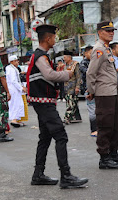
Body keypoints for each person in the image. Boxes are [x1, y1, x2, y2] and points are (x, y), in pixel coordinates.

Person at [27, 24, 88, 188]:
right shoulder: (40, 56)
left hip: (43, 102)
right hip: (44, 103)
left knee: (45, 138)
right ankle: (66, 176)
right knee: (61, 136)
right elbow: (49, 75)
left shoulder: (42, 56)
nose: (55, 39)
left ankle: (38, 174)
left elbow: (46, 75)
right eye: (54, 37)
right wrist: (66, 74)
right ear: (48, 38)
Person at [86, 21, 118, 169]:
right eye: (108, 30)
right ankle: (104, 157)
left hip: (112, 92)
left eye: (112, 30)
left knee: (114, 125)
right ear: (99, 32)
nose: (111, 33)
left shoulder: (107, 49)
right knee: (105, 125)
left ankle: (113, 153)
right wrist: (91, 91)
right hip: (104, 93)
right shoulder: (98, 49)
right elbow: (91, 72)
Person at [79, 45, 97, 137]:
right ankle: (93, 130)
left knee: (99, 109)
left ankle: (100, 129)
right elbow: (88, 73)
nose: (93, 55)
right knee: (92, 110)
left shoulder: (96, 62)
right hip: (88, 88)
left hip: (98, 88)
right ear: (85, 53)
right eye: (90, 53)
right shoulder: (83, 63)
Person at [6, 55, 27, 127]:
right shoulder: (10, 69)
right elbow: (14, 81)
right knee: (15, 104)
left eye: (17, 60)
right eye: (16, 61)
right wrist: (21, 88)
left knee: (20, 104)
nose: (17, 62)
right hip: (13, 89)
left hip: (15, 89)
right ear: (11, 62)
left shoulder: (14, 68)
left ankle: (17, 119)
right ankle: (14, 119)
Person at [63, 50, 82, 124]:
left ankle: (66, 118)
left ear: (69, 57)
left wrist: (77, 87)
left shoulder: (75, 64)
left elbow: (78, 76)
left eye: (64, 57)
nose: (64, 59)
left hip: (73, 87)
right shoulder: (65, 65)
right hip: (66, 87)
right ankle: (75, 117)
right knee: (72, 102)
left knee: (70, 103)